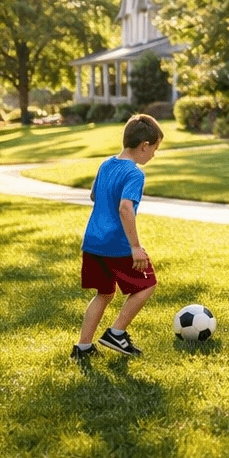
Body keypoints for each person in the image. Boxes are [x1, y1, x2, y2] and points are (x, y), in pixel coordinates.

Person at [73, 113, 163, 361]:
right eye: (154, 148)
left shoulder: (106, 164)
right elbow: (125, 208)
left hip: (93, 240)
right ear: (144, 145)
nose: (154, 154)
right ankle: (116, 332)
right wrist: (135, 247)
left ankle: (82, 348)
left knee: (104, 293)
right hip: (117, 243)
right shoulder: (135, 174)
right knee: (148, 284)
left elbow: (94, 196)